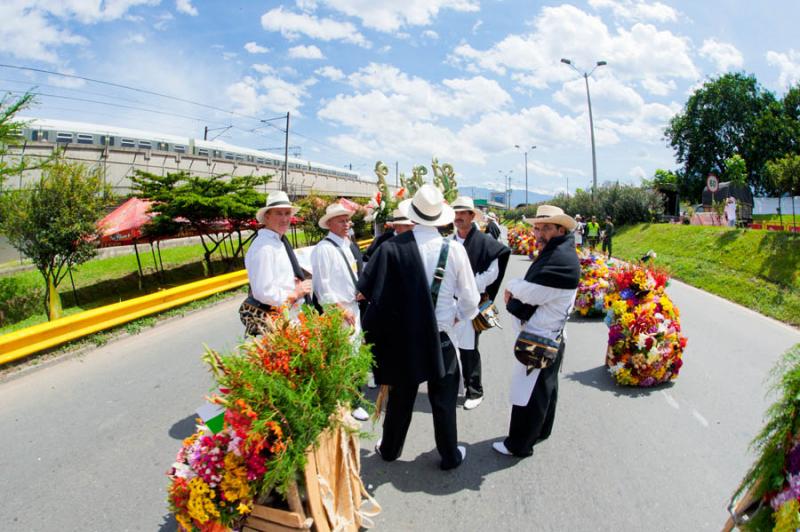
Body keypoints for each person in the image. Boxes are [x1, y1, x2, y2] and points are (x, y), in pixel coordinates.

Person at [358, 184, 480, 470]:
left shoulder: (390, 248)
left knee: (400, 400)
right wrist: (457, 318)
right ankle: (449, 455)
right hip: (442, 339)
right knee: (444, 401)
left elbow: (367, 292)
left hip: (404, 340)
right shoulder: (455, 250)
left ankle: (390, 449)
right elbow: (471, 301)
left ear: (412, 215)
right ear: (442, 217)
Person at [493, 205, 580, 458]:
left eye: (546, 228)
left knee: (529, 395)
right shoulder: (558, 254)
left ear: (561, 229)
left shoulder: (559, 260)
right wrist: (520, 289)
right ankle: (540, 431)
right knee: (545, 390)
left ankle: (519, 445)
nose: (538, 233)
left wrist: (511, 285)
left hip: (540, 339)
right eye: (537, 228)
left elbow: (532, 292)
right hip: (551, 336)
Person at [451, 196, 511, 410]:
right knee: (448, 346)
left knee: (469, 349)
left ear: (471, 216)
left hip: (471, 302)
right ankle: (452, 387)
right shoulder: (449, 242)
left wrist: (466, 288)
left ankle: (474, 390)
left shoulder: (486, 243)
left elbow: (492, 273)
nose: (457, 217)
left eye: (462, 213)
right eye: (455, 213)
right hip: (449, 304)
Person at [311, 201, 369, 420]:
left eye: (348, 220)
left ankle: (350, 398)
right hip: (340, 312)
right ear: (330, 224)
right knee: (343, 358)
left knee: (353, 355)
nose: (347, 224)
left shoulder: (347, 244)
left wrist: (360, 291)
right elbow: (322, 287)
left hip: (353, 308)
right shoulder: (324, 249)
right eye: (341, 220)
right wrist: (339, 310)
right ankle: (350, 402)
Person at [242, 191, 312, 331]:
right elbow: (263, 292)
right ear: (267, 216)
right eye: (279, 213)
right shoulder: (264, 247)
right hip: (280, 321)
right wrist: (295, 293)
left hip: (291, 315)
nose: (284, 218)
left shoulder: (277, 241)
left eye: (287, 213)